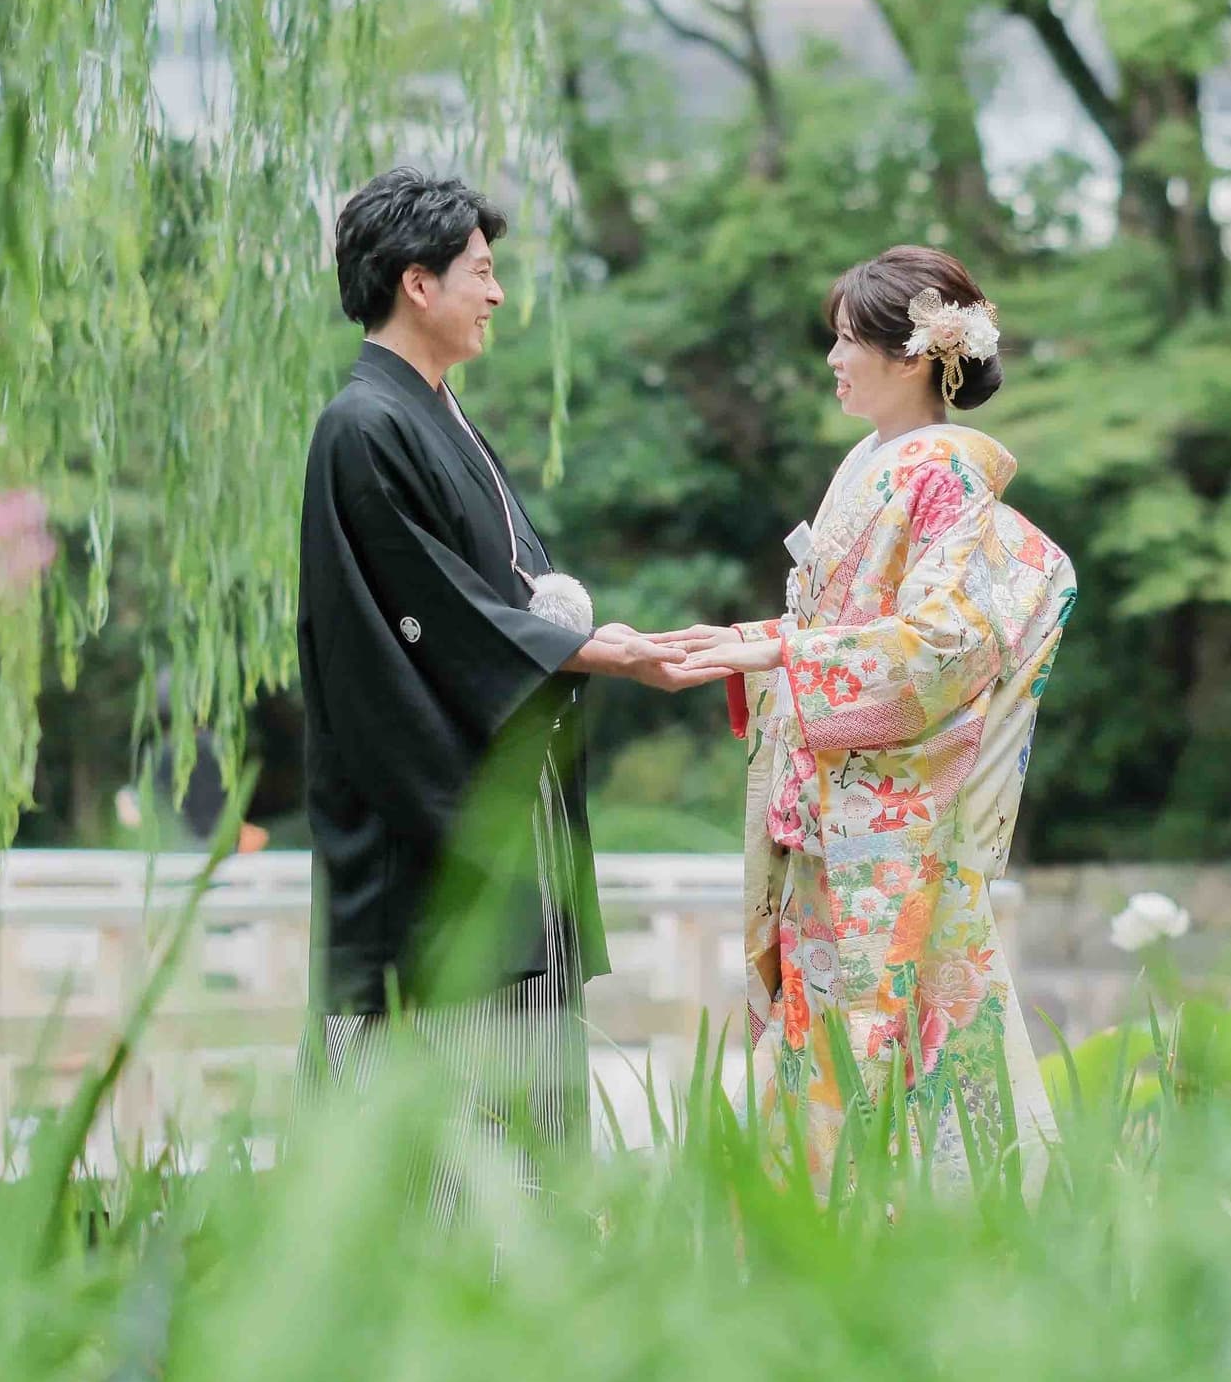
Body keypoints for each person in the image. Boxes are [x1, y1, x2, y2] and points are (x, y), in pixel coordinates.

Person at [296, 166, 710, 1200]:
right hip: (427, 813)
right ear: (414, 282)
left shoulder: (441, 417)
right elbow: (432, 616)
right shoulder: (363, 425)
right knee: (438, 1115)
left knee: (524, 1106)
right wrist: (588, 648)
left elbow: (515, 596)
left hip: (504, 795)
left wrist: (578, 637)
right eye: (479, 272)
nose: (495, 294)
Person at [672, 246, 1078, 1188]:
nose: (832, 359)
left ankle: (873, 1244)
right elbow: (844, 627)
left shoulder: (945, 474)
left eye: (847, 339)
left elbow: (943, 645)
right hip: (834, 811)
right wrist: (753, 638)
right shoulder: (874, 463)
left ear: (911, 356)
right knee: (829, 1041)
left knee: (882, 1048)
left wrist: (784, 653)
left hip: (890, 826)